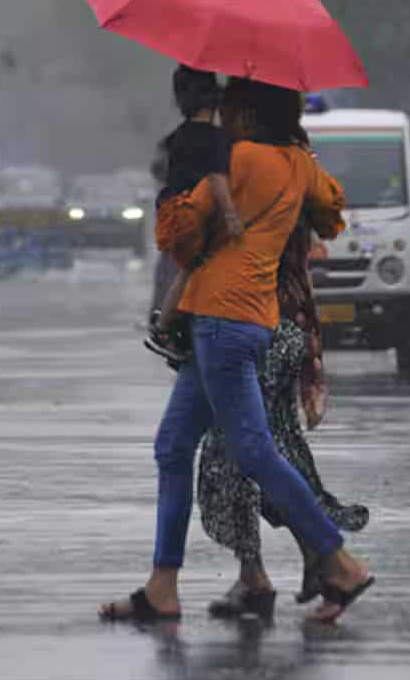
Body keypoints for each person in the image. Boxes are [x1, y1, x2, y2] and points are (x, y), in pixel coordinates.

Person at [100, 78, 374, 625]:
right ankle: (162, 586)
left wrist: (182, 183)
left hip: (221, 320)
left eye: (228, 106)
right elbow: (332, 212)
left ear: (247, 113)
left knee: (254, 451)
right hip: (252, 318)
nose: (221, 114)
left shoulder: (238, 158)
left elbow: (175, 232)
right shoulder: (297, 164)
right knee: (173, 446)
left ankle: (339, 560)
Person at [198, 216, 369, 620]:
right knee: (269, 451)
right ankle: (279, 569)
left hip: (257, 328)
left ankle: (327, 562)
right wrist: (311, 357)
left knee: (236, 455)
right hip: (282, 327)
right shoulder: (292, 176)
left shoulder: (248, 182)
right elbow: (303, 271)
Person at [144, 66, 243, 364]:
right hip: (194, 219)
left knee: (185, 272)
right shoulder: (216, 139)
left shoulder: (177, 138)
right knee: (197, 272)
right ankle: (167, 329)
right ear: (215, 100)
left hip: (171, 217)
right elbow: (216, 178)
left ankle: (166, 329)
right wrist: (231, 215)